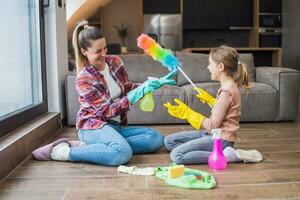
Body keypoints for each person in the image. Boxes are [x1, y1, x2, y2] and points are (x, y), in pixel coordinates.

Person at [32, 21, 176, 166]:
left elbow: (126, 87)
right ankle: (66, 152)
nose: (104, 54)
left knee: (155, 138)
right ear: (84, 51)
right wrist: (133, 97)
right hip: (93, 126)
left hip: (115, 126)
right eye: (98, 51)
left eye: (105, 48)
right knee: (123, 154)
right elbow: (106, 111)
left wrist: (149, 85)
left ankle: (103, 148)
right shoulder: (84, 79)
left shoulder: (115, 62)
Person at [164, 45, 262, 164]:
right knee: (169, 142)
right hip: (211, 134)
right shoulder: (230, 87)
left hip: (221, 139)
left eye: (210, 64)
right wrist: (211, 100)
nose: (208, 67)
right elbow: (226, 110)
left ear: (221, 67)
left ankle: (224, 155)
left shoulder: (226, 93)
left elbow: (212, 125)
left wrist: (188, 114)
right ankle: (216, 151)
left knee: (177, 155)